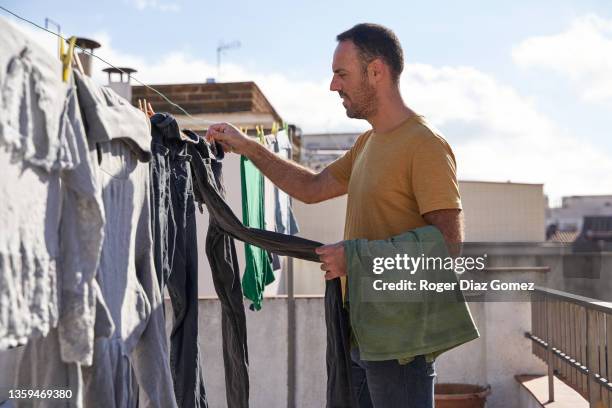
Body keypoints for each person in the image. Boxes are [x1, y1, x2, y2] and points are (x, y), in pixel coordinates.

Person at [205, 23, 463, 408]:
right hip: (359, 332)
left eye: (341, 74)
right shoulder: (367, 144)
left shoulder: (425, 145)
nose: (333, 86)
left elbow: (447, 246)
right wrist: (248, 148)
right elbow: (312, 188)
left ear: (376, 71)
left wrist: (354, 257)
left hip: (400, 342)